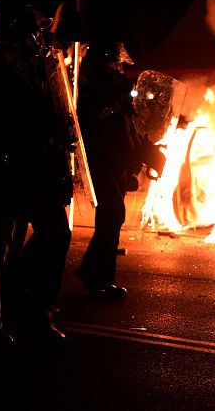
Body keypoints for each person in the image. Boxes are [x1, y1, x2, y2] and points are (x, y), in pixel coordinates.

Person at [0, 4, 73, 344]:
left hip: (39, 170)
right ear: (16, 37)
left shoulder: (41, 69)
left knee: (57, 234)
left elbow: (54, 116)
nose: (38, 40)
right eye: (34, 34)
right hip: (2, 171)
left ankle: (37, 309)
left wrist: (63, 143)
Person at [75, 40, 145, 298]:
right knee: (112, 217)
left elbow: (128, 126)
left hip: (117, 161)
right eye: (115, 60)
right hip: (103, 160)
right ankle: (97, 277)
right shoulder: (91, 87)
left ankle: (96, 274)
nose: (118, 66)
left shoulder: (116, 85)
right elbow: (92, 119)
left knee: (112, 219)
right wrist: (118, 104)